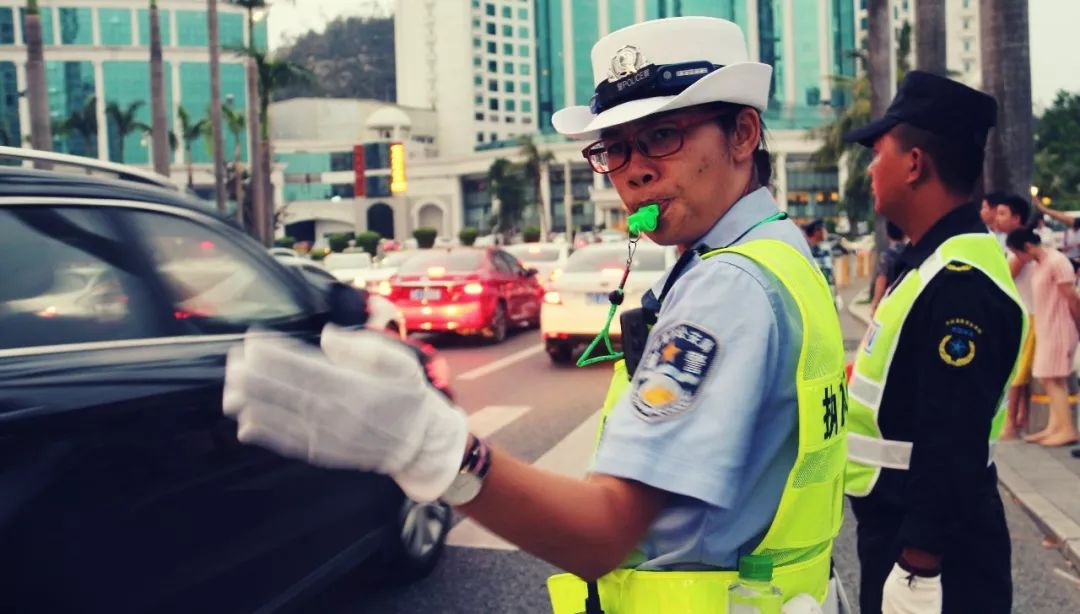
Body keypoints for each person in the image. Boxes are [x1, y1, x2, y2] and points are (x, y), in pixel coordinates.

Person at [220, 17, 848, 614]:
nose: (634, 172)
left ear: (742, 134)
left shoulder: (726, 285)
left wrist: (430, 446)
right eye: (615, 149)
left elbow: (602, 533)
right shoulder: (778, 248)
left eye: (662, 135)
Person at [842, 71, 1026, 614]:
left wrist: (919, 569)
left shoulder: (959, 282)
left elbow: (952, 435)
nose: (872, 168)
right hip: (904, 533)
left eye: (879, 153)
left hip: (935, 555)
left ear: (916, 163)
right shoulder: (930, 263)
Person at [1006, 228, 1080, 447]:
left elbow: (1072, 299)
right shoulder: (1043, 263)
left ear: (1027, 247)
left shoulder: (1057, 262)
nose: (1019, 259)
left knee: (1053, 378)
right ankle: (1055, 426)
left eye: (1018, 253)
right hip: (1047, 326)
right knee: (1049, 377)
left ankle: (1066, 428)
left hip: (1059, 327)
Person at [992, 193, 1036, 440]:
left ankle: (1011, 424)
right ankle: (1021, 419)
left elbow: (1004, 278)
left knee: (1018, 374)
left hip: (1026, 315)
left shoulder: (1019, 248)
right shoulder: (1017, 244)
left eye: (1002, 213)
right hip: (1027, 313)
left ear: (1017, 218)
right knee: (1022, 374)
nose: (997, 219)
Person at [870, 221, 907, 315]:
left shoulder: (887, 256)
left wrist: (875, 303)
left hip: (891, 301)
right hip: (906, 298)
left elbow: (881, 279)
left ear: (888, 234)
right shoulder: (910, 253)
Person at [1035, 197, 1080, 261]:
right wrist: (1044, 209)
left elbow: (1065, 218)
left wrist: (1044, 209)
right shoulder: (1068, 231)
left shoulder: (1048, 230)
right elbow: (1065, 218)